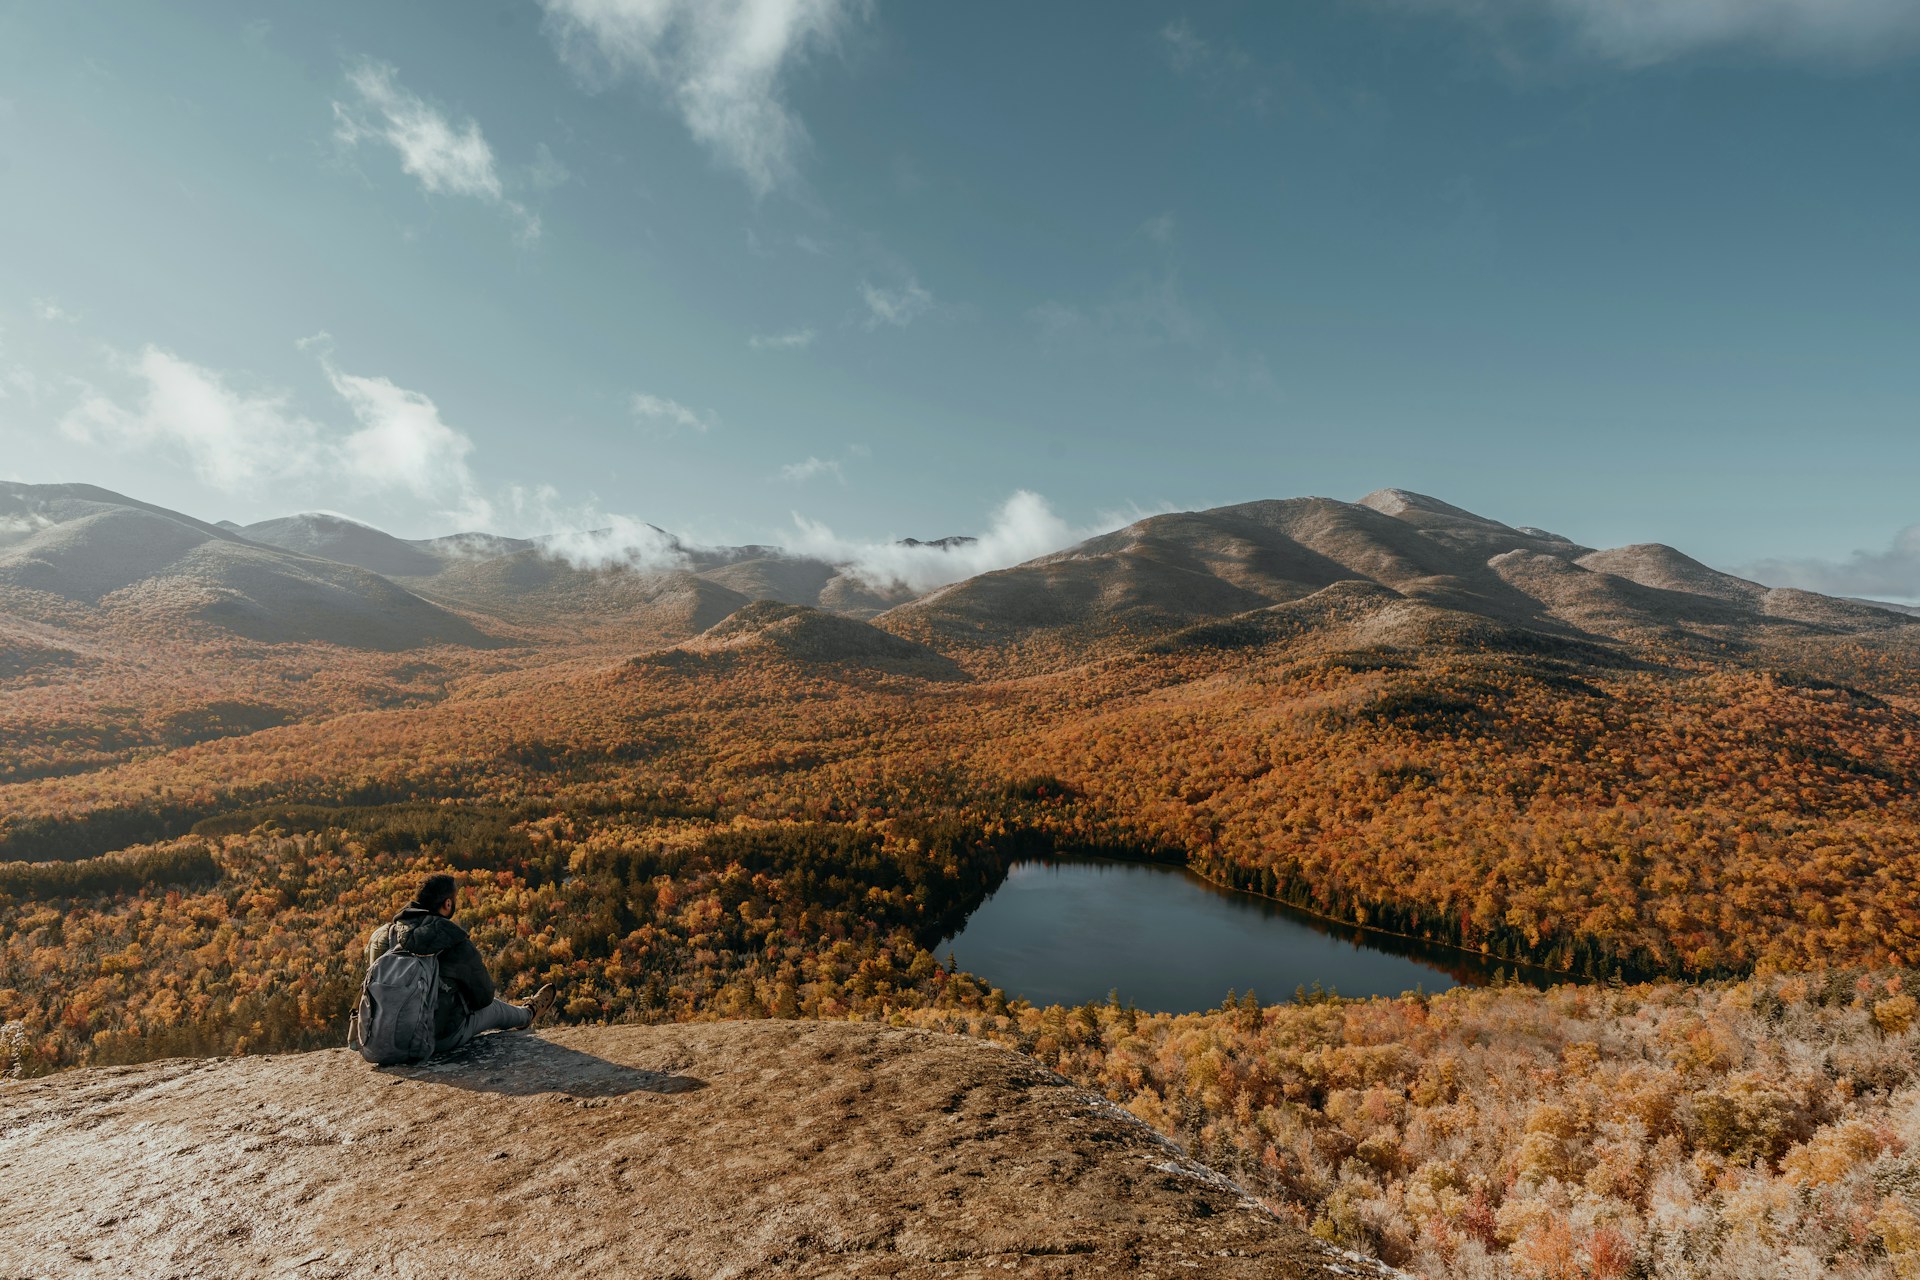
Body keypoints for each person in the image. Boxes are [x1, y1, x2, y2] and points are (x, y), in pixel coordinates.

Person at [367, 873, 558, 1056]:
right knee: (494, 1008)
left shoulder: (383, 936)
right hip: (436, 1039)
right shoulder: (454, 942)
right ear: (447, 904)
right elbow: (483, 998)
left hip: (383, 1038)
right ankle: (527, 1013)